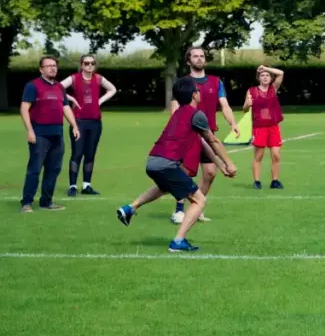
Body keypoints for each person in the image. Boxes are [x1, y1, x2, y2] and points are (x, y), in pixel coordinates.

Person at [116, 77, 237, 252]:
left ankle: (130, 207)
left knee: (163, 187)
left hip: (153, 161)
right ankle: (178, 241)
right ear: (194, 95)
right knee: (199, 201)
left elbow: (202, 143)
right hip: (167, 164)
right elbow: (213, 141)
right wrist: (230, 163)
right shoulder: (197, 115)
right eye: (197, 90)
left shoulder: (179, 113)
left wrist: (220, 165)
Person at [170, 46, 240, 224]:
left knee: (210, 173)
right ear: (188, 61)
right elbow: (175, 108)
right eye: (195, 56)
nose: (199, 59)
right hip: (188, 136)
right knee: (185, 173)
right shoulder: (182, 83)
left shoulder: (216, 82)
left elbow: (224, 105)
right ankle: (178, 211)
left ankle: (195, 207)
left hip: (208, 135)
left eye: (202, 56)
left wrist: (232, 123)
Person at [19, 56, 80, 213]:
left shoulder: (60, 87)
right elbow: (24, 108)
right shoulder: (33, 86)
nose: (53, 68)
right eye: (48, 66)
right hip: (39, 135)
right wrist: (30, 130)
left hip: (57, 135)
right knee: (35, 169)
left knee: (53, 170)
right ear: (41, 69)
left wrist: (74, 125)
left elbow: (66, 107)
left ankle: (46, 202)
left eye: (54, 66)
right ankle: (26, 203)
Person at [60, 54, 117, 196]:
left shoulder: (98, 79)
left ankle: (86, 185)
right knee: (77, 154)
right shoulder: (74, 78)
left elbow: (112, 89)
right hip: (78, 121)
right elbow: (57, 87)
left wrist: (100, 101)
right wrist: (71, 97)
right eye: (86, 63)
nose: (90, 65)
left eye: (92, 63)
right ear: (81, 65)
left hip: (95, 122)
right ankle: (72, 185)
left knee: (90, 154)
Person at [243, 65, 285, 189]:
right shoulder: (251, 91)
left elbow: (281, 73)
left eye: (267, 75)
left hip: (273, 126)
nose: (265, 77)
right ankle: (257, 181)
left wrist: (265, 68)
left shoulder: (273, 88)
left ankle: (275, 181)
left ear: (271, 78)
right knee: (259, 155)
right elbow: (245, 109)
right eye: (262, 75)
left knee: (276, 155)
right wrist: (247, 104)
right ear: (258, 78)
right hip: (259, 127)